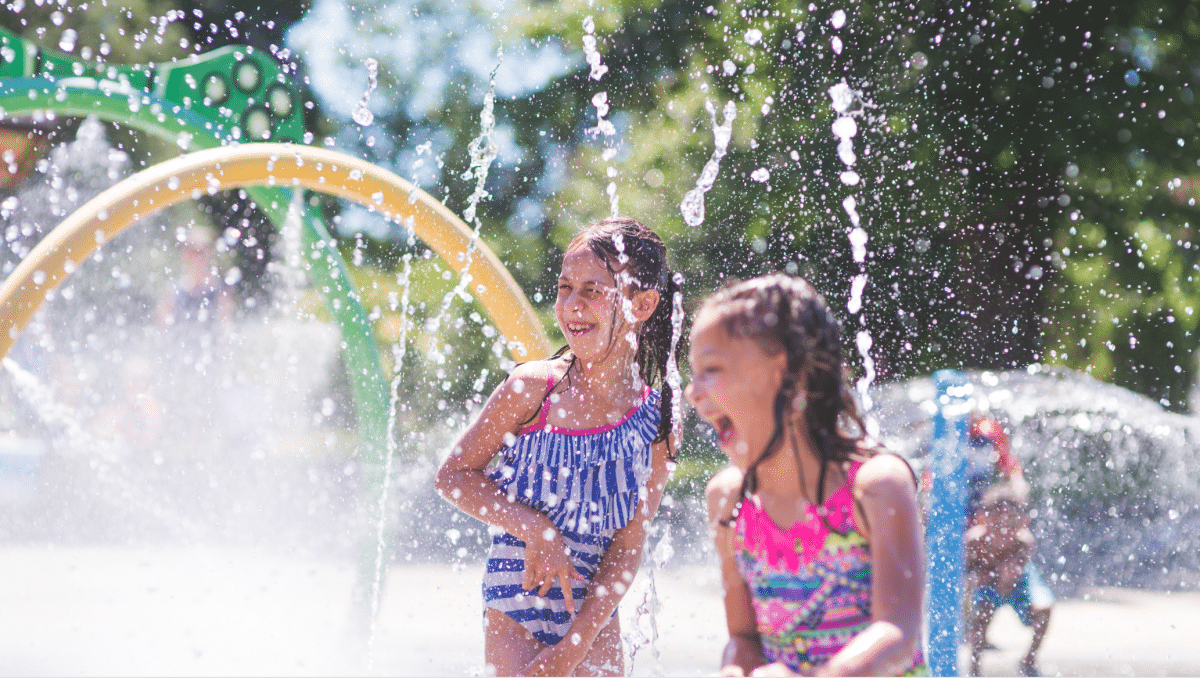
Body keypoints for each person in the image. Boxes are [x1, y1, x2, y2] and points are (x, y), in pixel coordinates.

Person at [434, 217, 681, 676]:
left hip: (593, 616)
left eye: (593, 291)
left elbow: (628, 546)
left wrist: (575, 643)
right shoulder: (534, 389)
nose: (572, 305)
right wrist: (536, 529)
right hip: (517, 599)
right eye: (565, 287)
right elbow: (452, 477)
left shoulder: (657, 421)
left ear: (642, 304)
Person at [688, 274, 926, 677]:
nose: (692, 391)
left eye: (711, 369)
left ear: (788, 375)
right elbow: (745, 637)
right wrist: (736, 669)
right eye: (693, 373)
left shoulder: (873, 487)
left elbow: (898, 633)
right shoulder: (729, 502)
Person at [965, 484, 1054, 677]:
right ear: (983, 520)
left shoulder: (1024, 543)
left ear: (1023, 522)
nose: (1003, 532)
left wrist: (1000, 573)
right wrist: (974, 578)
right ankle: (974, 666)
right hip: (987, 583)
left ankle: (1028, 659)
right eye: (997, 523)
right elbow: (965, 576)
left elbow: (1007, 583)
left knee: (1044, 608)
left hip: (1020, 582)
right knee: (980, 616)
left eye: (1011, 525)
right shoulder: (973, 542)